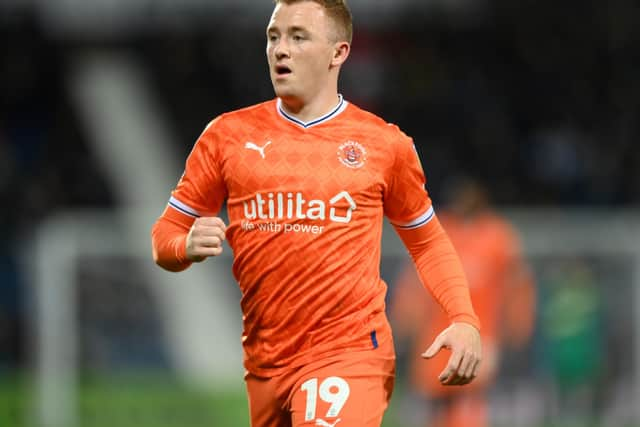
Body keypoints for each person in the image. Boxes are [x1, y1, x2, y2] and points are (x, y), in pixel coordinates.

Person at [151, 1, 481, 426]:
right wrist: (185, 245)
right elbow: (165, 236)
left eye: (298, 36)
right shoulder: (226, 137)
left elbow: (428, 242)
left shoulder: (383, 145)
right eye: (274, 36)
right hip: (265, 361)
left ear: (338, 52)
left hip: (348, 351)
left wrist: (463, 318)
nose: (280, 49)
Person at [390, 177, 536, 427]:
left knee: (470, 403)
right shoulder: (442, 229)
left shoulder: (497, 236)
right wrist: (404, 323)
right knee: (436, 404)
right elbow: (413, 283)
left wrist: (518, 325)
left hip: (480, 334)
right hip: (436, 336)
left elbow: (517, 286)